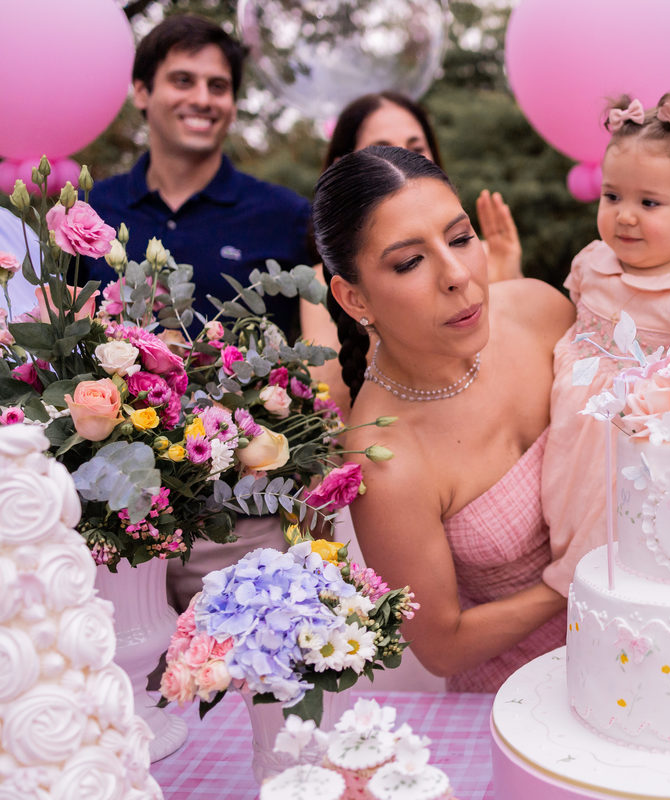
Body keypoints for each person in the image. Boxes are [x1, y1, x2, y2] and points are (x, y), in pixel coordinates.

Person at [313, 145, 575, 692]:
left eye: (460, 239)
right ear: (354, 297)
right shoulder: (382, 457)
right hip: (515, 700)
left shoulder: (537, 310)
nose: (457, 274)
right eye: (410, 262)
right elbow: (443, 645)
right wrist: (575, 580)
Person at [82, 14, 313, 607]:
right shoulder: (90, 213)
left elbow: (320, 351)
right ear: (142, 91)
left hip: (241, 514)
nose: (202, 99)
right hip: (107, 509)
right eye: (182, 80)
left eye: (218, 86)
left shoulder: (284, 215)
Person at [539, 93, 670, 594]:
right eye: (612, 197)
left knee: (618, 558)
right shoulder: (592, 264)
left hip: (636, 456)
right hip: (568, 431)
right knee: (560, 514)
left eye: (649, 202)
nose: (625, 216)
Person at [302, 91, 523, 418]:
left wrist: (510, 283)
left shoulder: (485, 256)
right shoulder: (319, 285)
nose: (398, 162)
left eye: (415, 148)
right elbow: (331, 406)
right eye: (409, 263)